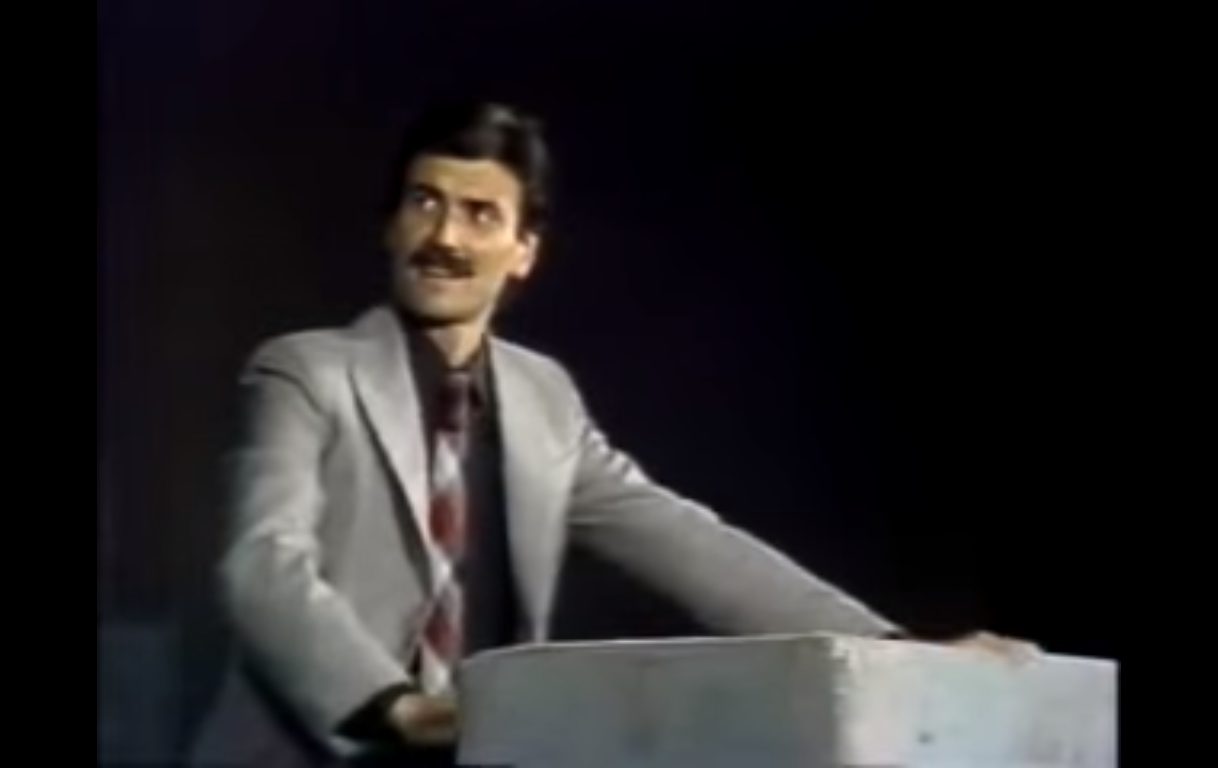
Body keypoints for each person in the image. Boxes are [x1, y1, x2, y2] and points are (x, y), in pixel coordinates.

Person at [188, 100, 1035, 768]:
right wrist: (397, 708)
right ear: (391, 224)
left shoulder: (543, 398)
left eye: (480, 214)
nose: (445, 236)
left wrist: (895, 652)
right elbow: (263, 563)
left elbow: (691, 545)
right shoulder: (306, 369)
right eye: (425, 203)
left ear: (524, 251)